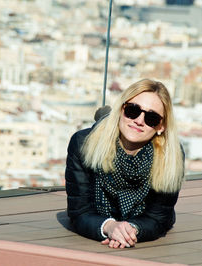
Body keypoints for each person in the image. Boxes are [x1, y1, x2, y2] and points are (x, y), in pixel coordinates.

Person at [65, 79, 185, 249]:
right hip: (101, 226)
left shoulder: (170, 155)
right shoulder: (84, 143)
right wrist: (109, 227)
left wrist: (129, 230)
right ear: (121, 109)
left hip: (143, 231)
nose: (139, 121)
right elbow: (80, 211)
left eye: (151, 118)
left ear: (161, 126)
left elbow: (159, 217)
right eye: (132, 110)